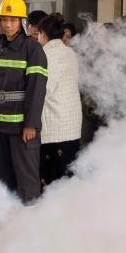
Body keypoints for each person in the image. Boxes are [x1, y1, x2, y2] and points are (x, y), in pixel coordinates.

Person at [0, 0, 48, 205]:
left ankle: (30, 217)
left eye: (13, 20)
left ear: (22, 22)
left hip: (21, 126)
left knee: (26, 177)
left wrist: (31, 123)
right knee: (3, 176)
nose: (8, 24)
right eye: (4, 19)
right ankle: (7, 217)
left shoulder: (32, 49)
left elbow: (37, 89)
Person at [37, 14, 82, 186]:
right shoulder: (70, 52)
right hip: (72, 122)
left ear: (43, 34)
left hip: (54, 126)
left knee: (51, 181)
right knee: (68, 178)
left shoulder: (44, 54)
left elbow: (44, 90)